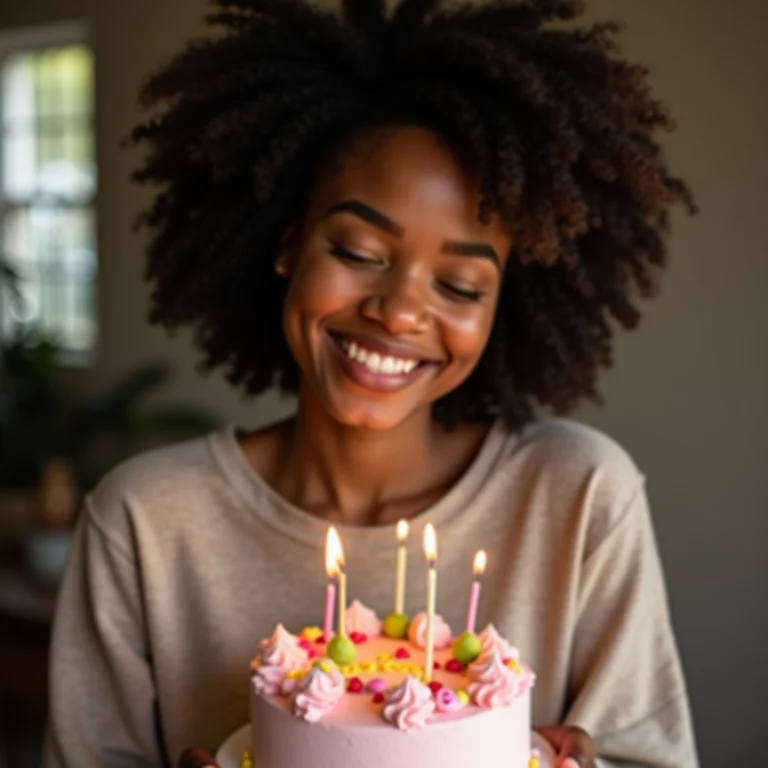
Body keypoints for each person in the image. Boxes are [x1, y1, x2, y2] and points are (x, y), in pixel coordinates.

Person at [42, 0, 700, 766]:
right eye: (357, 250)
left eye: (458, 286)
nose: (398, 312)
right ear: (289, 246)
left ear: (500, 309)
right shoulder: (145, 524)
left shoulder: (579, 496)